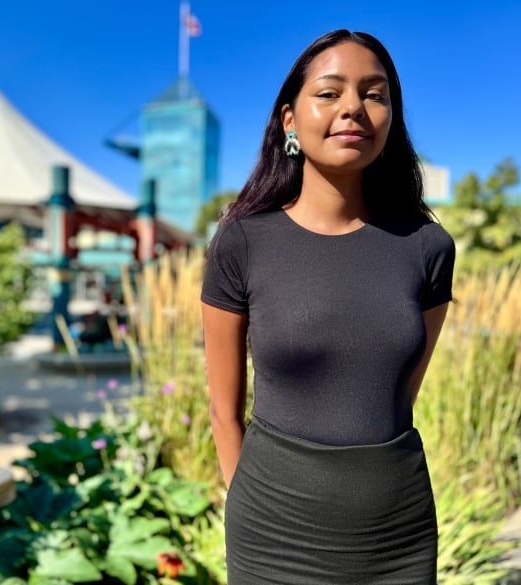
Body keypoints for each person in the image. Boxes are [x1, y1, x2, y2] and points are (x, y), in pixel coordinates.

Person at [200, 29, 455, 584]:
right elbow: (223, 409)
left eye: (374, 93)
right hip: (273, 532)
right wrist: (248, 497)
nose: (353, 109)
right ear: (290, 120)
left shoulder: (428, 247)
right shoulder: (241, 242)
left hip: (398, 531)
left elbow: (396, 391)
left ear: (392, 116)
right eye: (330, 92)